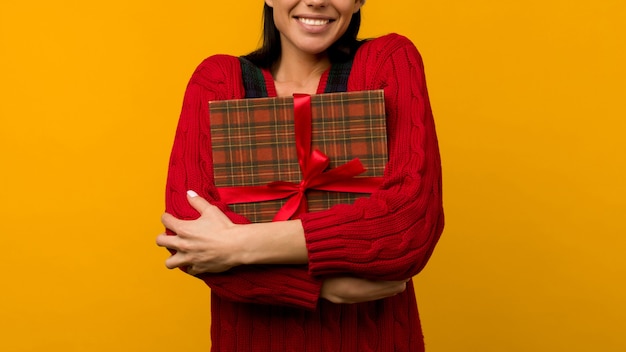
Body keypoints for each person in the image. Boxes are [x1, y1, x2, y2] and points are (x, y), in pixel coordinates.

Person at [156, 0, 444, 351]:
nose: (317, 0)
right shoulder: (219, 81)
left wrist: (237, 245)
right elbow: (188, 237)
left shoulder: (386, 62)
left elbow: (409, 226)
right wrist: (321, 288)